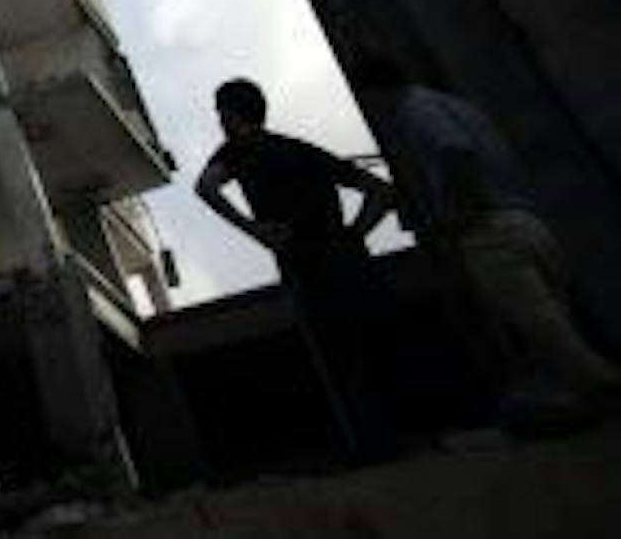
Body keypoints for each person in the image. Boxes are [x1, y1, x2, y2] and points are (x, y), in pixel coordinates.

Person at [361, 58, 621, 430]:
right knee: (553, 332)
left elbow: (454, 149)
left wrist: (458, 212)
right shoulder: (460, 106)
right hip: (527, 220)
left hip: (490, 231)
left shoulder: (414, 111)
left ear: (375, 92)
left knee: (550, 337)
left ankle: (605, 389)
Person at [196, 77, 399, 459]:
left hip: (305, 263)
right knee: (374, 349)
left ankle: (370, 447)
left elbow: (205, 187)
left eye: (220, 113)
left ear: (228, 114)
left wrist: (255, 230)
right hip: (350, 262)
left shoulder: (239, 148)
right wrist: (354, 235)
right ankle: (395, 440)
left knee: (338, 358)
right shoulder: (301, 149)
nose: (218, 121)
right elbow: (382, 192)